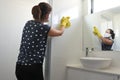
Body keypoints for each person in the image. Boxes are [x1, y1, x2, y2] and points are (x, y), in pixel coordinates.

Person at [15, 2, 71, 80]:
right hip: (32, 68)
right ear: (45, 15)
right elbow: (60, 33)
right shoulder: (43, 28)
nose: (49, 16)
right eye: (48, 13)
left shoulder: (28, 23)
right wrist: (63, 24)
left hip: (19, 67)